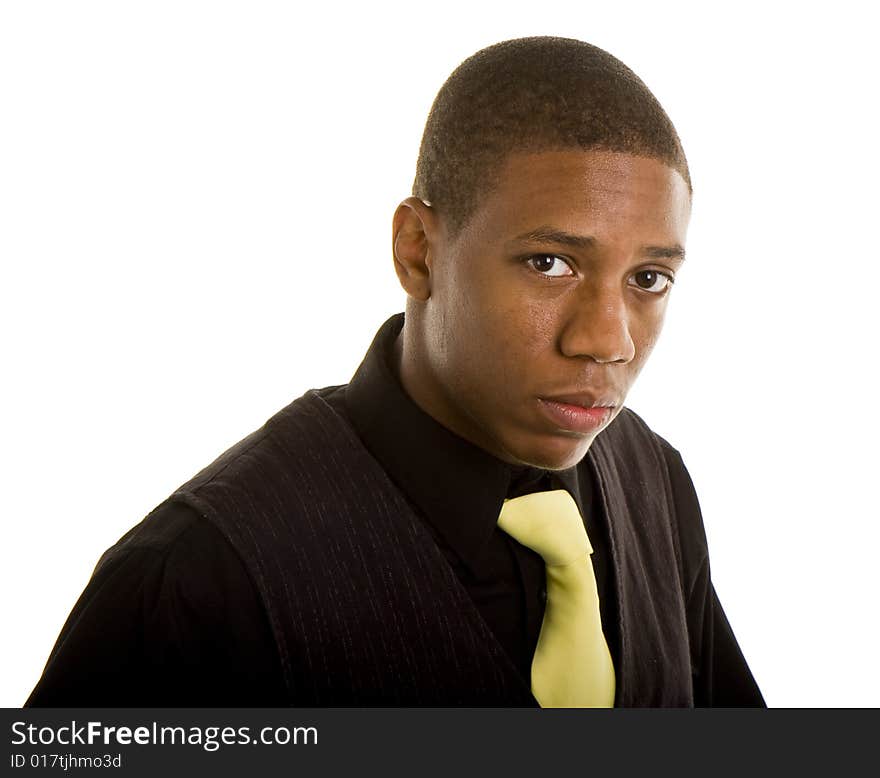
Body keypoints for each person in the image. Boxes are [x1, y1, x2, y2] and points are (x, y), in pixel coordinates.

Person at [26, 36, 764, 707]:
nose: (608, 341)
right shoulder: (196, 584)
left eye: (650, 279)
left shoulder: (653, 484)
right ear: (417, 251)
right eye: (550, 264)